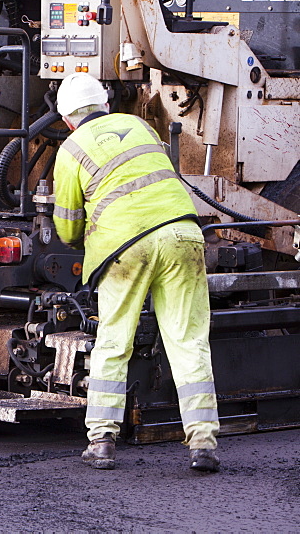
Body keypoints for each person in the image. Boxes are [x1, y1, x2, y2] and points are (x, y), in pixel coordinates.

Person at [51, 73, 220, 473]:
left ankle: (102, 440)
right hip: (183, 233)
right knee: (188, 341)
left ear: (67, 118)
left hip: (126, 248)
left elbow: (69, 224)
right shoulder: (140, 126)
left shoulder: (71, 148)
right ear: (104, 104)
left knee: (114, 342)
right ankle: (203, 443)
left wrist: (85, 242)